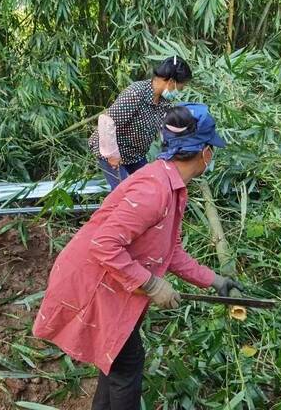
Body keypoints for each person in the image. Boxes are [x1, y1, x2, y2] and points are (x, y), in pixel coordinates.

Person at [34, 104, 243, 410]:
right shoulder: (154, 190)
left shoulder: (168, 184)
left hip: (112, 282)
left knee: (117, 359)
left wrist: (215, 281)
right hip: (94, 282)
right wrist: (152, 285)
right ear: (206, 154)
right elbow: (105, 245)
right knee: (127, 363)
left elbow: (169, 252)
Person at [88, 56, 192, 190]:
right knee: (125, 194)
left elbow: (166, 130)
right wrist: (112, 155)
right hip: (112, 152)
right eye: (181, 87)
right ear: (171, 81)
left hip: (135, 155)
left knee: (148, 188)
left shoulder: (164, 102)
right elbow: (106, 121)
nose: (179, 92)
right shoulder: (136, 93)